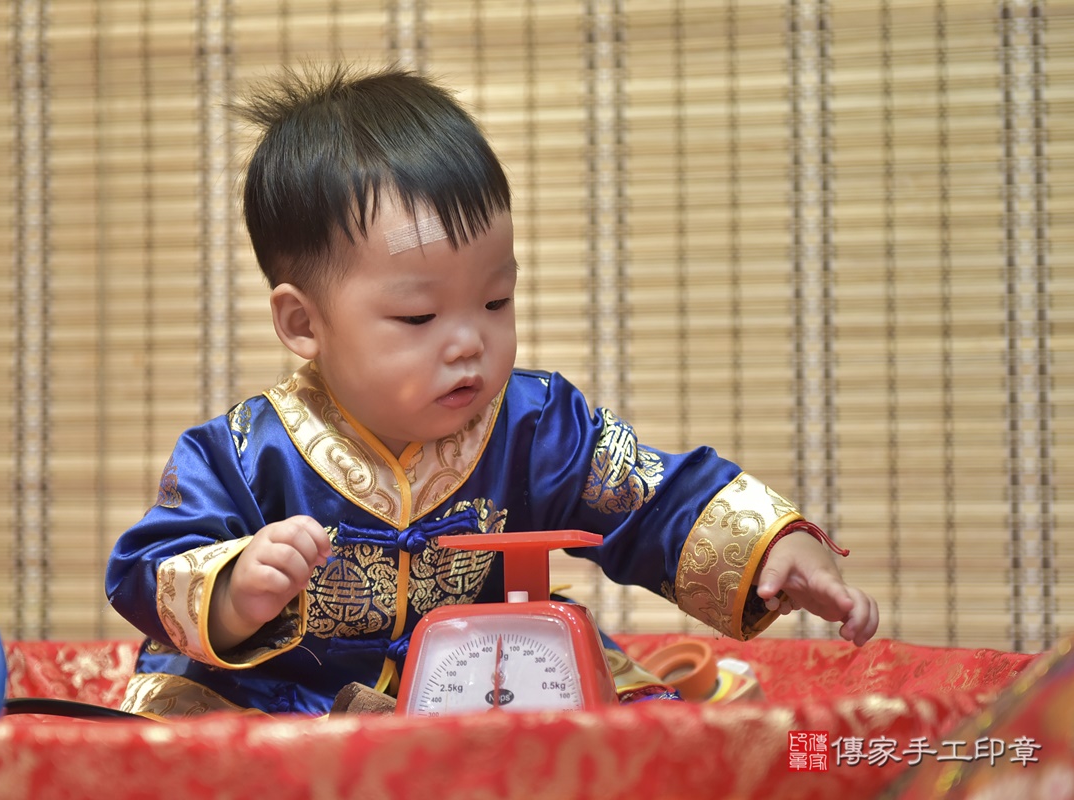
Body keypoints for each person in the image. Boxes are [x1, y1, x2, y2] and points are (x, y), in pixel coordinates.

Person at [105, 64, 879, 718]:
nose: (470, 339)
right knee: (173, 725)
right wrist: (235, 591)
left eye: (495, 302)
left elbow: (656, 496)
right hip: (299, 701)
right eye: (418, 314)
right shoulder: (242, 452)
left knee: (633, 721)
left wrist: (778, 542)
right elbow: (148, 565)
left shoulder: (537, 423)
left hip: (496, 684)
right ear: (302, 322)